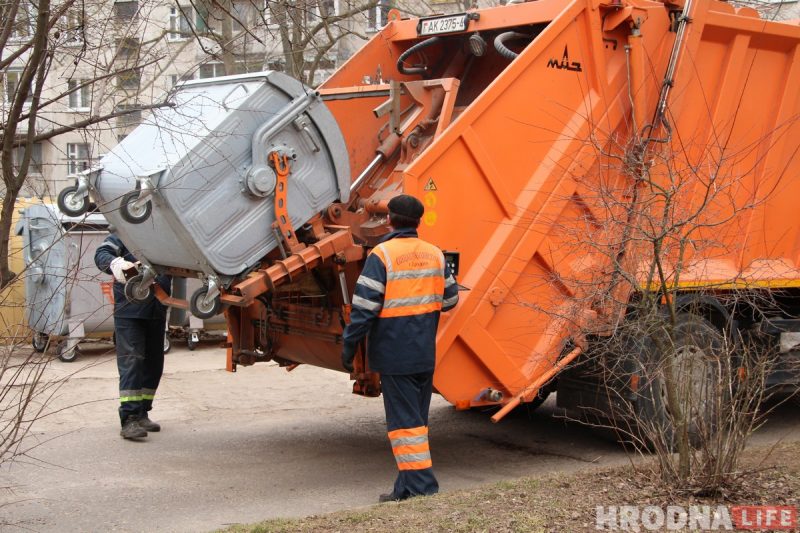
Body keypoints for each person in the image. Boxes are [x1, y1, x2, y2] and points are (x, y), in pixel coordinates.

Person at [341, 194, 459, 503]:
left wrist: (350, 345)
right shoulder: (435, 255)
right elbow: (450, 300)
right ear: (419, 222)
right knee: (416, 424)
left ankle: (423, 487)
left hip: (395, 356)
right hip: (423, 354)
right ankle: (404, 488)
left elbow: (364, 308)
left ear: (389, 219)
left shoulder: (382, 256)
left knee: (404, 426)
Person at [95, 233, 171, 440]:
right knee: (132, 362)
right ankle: (129, 418)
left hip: (157, 308)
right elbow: (101, 253)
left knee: (154, 365)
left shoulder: (166, 235)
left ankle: (142, 412)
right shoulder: (125, 232)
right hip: (130, 311)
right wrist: (116, 264)